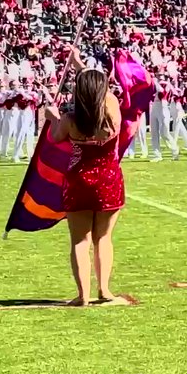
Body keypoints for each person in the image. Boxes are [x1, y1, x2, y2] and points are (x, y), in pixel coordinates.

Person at [45, 68, 126, 306]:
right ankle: (104, 290)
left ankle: (83, 295)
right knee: (104, 238)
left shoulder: (70, 121)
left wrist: (52, 117)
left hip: (78, 181)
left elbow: (55, 137)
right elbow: (104, 93)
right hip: (109, 180)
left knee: (80, 240)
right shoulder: (112, 114)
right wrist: (83, 68)